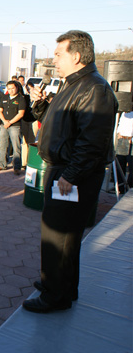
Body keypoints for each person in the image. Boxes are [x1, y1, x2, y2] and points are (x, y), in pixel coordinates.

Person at [23, 30, 118, 313]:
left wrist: (69, 176)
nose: (54, 59)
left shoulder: (94, 88)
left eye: (58, 54)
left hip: (72, 175)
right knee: (60, 234)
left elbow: (91, 143)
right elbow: (57, 123)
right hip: (63, 171)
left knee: (60, 236)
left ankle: (56, 296)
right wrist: (40, 103)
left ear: (76, 56)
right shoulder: (73, 84)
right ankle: (60, 284)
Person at [0, 81, 26, 174]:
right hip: (4, 124)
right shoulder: (4, 97)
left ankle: (17, 167)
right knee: (3, 145)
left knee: (16, 147)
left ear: (16, 88)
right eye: (9, 88)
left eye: (12, 88)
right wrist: (4, 121)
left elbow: (21, 114)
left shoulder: (20, 99)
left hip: (15, 126)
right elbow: (0, 111)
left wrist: (10, 122)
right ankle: (2, 164)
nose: (11, 90)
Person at [116, 109, 133, 192]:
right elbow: (121, 122)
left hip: (131, 140)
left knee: (131, 166)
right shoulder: (124, 110)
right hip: (122, 138)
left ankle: (130, 188)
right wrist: (118, 132)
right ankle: (120, 188)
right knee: (119, 163)